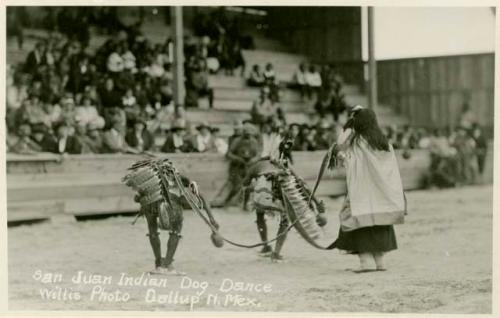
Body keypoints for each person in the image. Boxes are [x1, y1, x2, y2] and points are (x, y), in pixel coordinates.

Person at [327, 107, 406, 273]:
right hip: (381, 192)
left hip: (363, 191)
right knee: (378, 224)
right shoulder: (382, 141)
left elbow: (352, 163)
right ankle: (380, 261)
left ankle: (366, 262)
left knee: (360, 222)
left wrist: (339, 154)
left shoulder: (359, 141)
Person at [123, 158, 220, 275]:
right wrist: (211, 218)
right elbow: (201, 197)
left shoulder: (150, 181)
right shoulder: (179, 178)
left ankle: (158, 265)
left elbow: (136, 198)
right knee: (176, 229)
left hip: (149, 205)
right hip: (170, 204)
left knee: (152, 231)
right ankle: (167, 264)